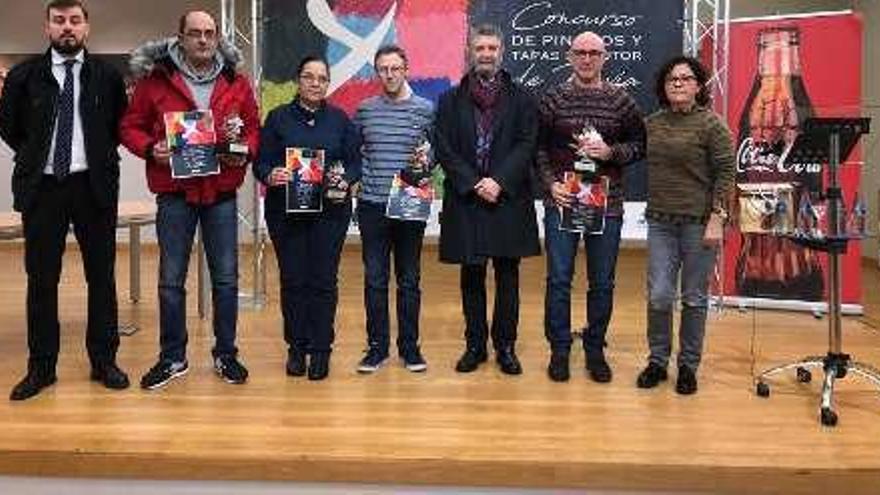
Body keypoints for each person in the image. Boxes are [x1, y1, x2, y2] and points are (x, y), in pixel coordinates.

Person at [120, 10, 260, 390]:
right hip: (175, 195)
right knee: (170, 280)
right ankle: (172, 357)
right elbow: (129, 126)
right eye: (195, 33)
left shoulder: (237, 82)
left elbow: (251, 129)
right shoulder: (155, 80)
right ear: (179, 37)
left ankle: (226, 354)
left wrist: (243, 150)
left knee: (227, 281)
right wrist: (151, 148)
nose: (203, 39)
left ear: (217, 38)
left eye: (209, 33)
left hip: (221, 194)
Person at [0, 0, 129, 400]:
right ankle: (41, 367)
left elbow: (116, 126)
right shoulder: (24, 76)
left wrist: (96, 157)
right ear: (47, 27)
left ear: (87, 28)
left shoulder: (107, 77)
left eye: (75, 21)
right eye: (59, 21)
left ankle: (103, 361)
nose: (67, 28)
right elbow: (9, 127)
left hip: (93, 188)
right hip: (44, 189)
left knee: (102, 278)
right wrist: (37, 155)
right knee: (41, 280)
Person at [536, 31, 645, 383]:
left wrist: (612, 153)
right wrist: (550, 185)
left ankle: (595, 348)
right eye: (580, 53)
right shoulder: (553, 99)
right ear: (569, 56)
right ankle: (560, 349)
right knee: (559, 279)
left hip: (606, 205)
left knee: (602, 282)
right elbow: (536, 149)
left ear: (604, 56)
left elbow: (640, 145)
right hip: (563, 201)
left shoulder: (621, 101)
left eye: (593, 53)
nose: (586, 59)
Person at [435, 24, 540, 375]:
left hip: (508, 198)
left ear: (501, 52)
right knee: (472, 275)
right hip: (468, 198)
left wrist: (498, 181)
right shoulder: (450, 99)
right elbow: (444, 147)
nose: (486, 54)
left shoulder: (523, 98)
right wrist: (474, 182)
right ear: (470, 51)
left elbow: (528, 143)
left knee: (508, 276)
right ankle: (475, 345)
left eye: (492, 48)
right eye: (480, 48)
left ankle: (505, 347)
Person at [254, 56, 361, 381]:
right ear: (297, 81)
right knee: (293, 281)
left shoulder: (341, 121)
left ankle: (321, 350)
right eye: (308, 77)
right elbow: (261, 163)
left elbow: (355, 163)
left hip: (330, 213)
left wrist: (345, 178)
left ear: (328, 84)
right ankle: (296, 349)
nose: (315, 83)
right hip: (286, 214)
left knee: (324, 281)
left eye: (321, 78)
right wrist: (271, 174)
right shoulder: (277, 119)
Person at [636, 56, 734, 395]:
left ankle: (688, 366)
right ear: (664, 87)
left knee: (694, 298)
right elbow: (627, 151)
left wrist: (718, 218)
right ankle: (657, 362)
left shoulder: (712, 125)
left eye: (685, 78)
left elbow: (726, 173)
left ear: (698, 85)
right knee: (660, 295)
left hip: (699, 224)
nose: (677, 83)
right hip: (661, 222)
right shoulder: (651, 124)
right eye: (671, 79)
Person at [353, 45, 434, 374]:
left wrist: (426, 161)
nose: (389, 74)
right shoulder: (365, 110)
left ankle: (410, 348)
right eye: (383, 69)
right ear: (377, 72)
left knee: (409, 280)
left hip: (409, 203)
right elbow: (353, 150)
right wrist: (355, 180)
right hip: (373, 205)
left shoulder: (426, 109)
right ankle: (376, 348)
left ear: (406, 70)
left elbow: (434, 153)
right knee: (374, 280)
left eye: (395, 68)